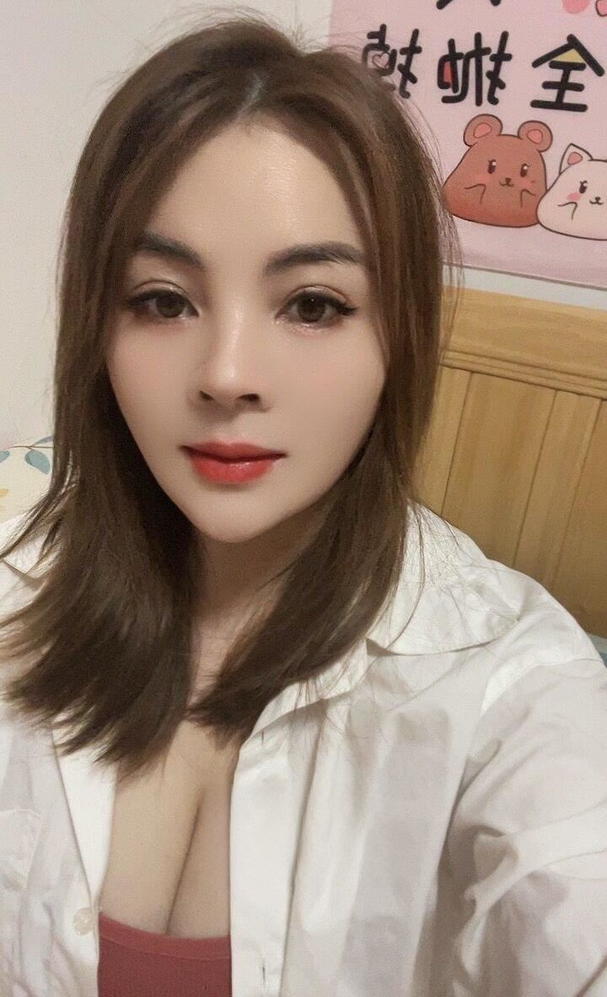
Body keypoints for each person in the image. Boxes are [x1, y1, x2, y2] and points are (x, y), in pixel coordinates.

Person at [0, 9, 605, 997]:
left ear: (397, 339)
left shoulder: (509, 685)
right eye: (162, 299)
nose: (227, 372)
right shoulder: (16, 597)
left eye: (313, 304)